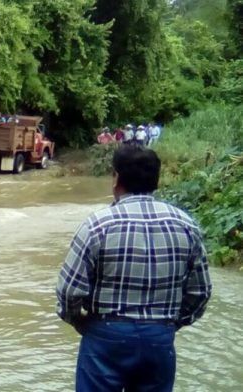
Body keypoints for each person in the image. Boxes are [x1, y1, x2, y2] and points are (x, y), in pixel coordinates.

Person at [56, 145, 212, 392]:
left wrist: (79, 322)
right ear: (156, 180)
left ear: (116, 179)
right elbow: (200, 292)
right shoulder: (186, 224)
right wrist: (170, 324)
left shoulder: (97, 225)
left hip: (105, 335)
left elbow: (69, 291)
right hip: (159, 337)